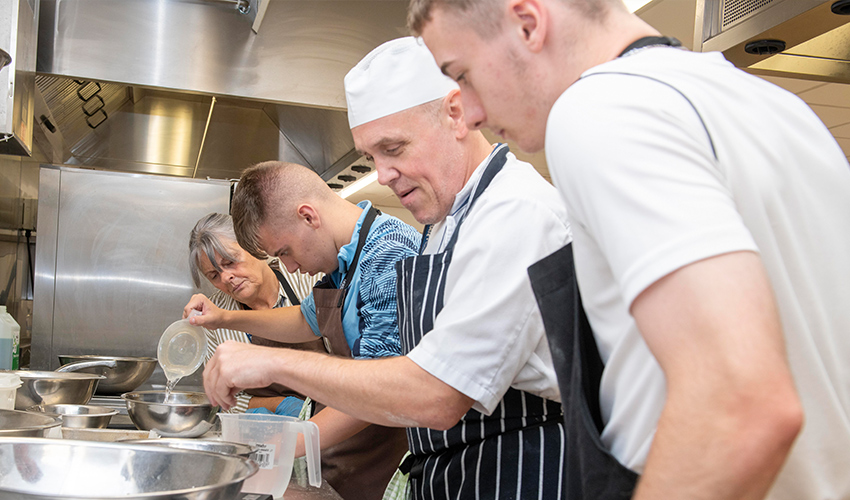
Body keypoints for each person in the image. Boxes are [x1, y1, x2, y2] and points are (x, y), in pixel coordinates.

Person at [409, 0, 850, 499]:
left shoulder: (602, 110)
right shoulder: (776, 106)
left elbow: (739, 403)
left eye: (463, 75)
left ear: (528, 23)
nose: (470, 113)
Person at [202, 37, 572, 500]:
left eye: (393, 148)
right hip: (453, 475)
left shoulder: (515, 214)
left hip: (517, 475)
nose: (384, 174)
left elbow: (436, 395)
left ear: (456, 113)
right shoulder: (447, 224)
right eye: (373, 157)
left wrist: (271, 362)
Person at [184, 165, 420, 500]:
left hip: (386, 458)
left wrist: (286, 444)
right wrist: (224, 319)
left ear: (308, 217)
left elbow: (381, 393)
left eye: (283, 252)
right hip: (341, 455)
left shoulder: (387, 257)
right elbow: (304, 320)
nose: (290, 268)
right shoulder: (346, 263)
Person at [187, 212, 322, 415]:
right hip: (268, 430)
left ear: (255, 246)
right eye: (214, 275)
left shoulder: (308, 278)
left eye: (230, 262)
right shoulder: (214, 317)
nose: (226, 278)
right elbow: (227, 399)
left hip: (337, 413)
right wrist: (280, 405)